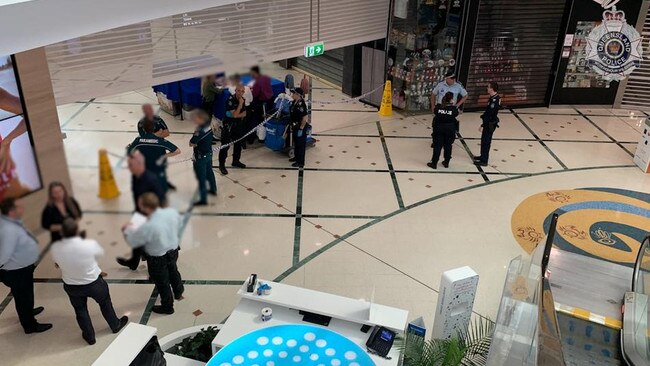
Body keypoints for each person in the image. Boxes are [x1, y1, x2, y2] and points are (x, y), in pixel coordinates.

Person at [50, 218, 128, 345]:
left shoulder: (56, 248)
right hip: (94, 283)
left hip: (72, 286)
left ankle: (89, 336)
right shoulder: (89, 245)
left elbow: (57, 264)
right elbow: (98, 255)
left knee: (80, 310)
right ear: (77, 230)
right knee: (105, 303)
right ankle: (115, 325)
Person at [125, 193, 183, 314]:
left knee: (162, 283)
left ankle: (167, 306)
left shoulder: (146, 224)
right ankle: (178, 291)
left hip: (157, 257)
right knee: (173, 270)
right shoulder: (170, 213)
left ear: (146, 207)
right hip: (173, 249)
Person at [0, 198, 52, 334]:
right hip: (17, 271)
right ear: (11, 211)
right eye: (19, 207)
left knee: (24, 296)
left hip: (22, 268)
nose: (23, 208)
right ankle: (30, 326)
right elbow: (4, 254)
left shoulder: (11, 222)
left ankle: (28, 312)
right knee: (23, 297)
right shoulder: (9, 230)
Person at [116, 151, 166, 271]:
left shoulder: (151, 180)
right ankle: (134, 261)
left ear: (140, 164)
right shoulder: (135, 176)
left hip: (150, 216)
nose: (129, 167)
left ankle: (154, 274)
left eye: (131, 165)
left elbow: (161, 200)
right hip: (140, 212)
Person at [127, 119, 180, 194]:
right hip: (158, 165)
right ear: (159, 130)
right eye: (161, 130)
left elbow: (129, 152)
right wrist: (164, 156)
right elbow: (177, 151)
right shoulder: (161, 142)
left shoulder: (138, 140)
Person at [136, 104, 177, 191]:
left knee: (162, 167)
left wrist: (155, 135)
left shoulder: (159, 120)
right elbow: (145, 138)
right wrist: (158, 134)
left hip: (160, 147)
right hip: (148, 150)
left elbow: (167, 133)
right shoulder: (141, 123)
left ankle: (164, 181)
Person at [189, 109, 217, 206]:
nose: (193, 120)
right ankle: (213, 189)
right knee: (210, 172)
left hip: (200, 157)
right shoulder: (208, 126)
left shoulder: (199, 130)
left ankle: (203, 199)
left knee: (201, 177)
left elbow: (191, 143)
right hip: (209, 153)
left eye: (195, 118)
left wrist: (194, 144)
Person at [219, 85, 248, 175]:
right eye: (239, 91)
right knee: (225, 146)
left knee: (238, 144)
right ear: (235, 91)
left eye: (242, 91)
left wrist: (236, 115)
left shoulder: (243, 99)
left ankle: (236, 161)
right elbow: (235, 114)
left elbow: (244, 114)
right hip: (228, 126)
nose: (240, 93)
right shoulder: (230, 100)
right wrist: (239, 105)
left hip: (238, 125)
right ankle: (222, 165)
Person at [428, 92, 459, 170]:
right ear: (452, 99)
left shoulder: (438, 108)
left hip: (439, 128)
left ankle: (434, 163)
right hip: (450, 129)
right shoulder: (454, 109)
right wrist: (452, 105)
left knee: (437, 146)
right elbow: (456, 114)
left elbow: (435, 112)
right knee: (448, 146)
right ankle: (446, 162)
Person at [474, 82, 501, 167]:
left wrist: (483, 125)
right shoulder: (493, 98)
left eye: (488, 87)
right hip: (487, 122)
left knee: (486, 141)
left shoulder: (494, 100)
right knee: (483, 140)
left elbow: (490, 114)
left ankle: (484, 160)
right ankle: (482, 156)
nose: (487, 88)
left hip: (489, 124)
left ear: (492, 89)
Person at [248, 66, 273, 144]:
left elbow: (254, 94)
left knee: (258, 119)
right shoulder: (266, 77)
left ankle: (259, 137)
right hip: (270, 99)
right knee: (267, 118)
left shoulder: (257, 82)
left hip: (262, 102)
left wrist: (250, 91)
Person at [289, 88, 309, 168]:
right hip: (295, 126)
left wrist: (301, 128)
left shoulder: (301, 104)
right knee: (296, 143)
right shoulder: (294, 102)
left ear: (298, 95)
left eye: (293, 94)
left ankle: (300, 162)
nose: (292, 95)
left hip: (300, 127)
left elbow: (305, 117)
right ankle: (296, 157)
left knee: (301, 145)